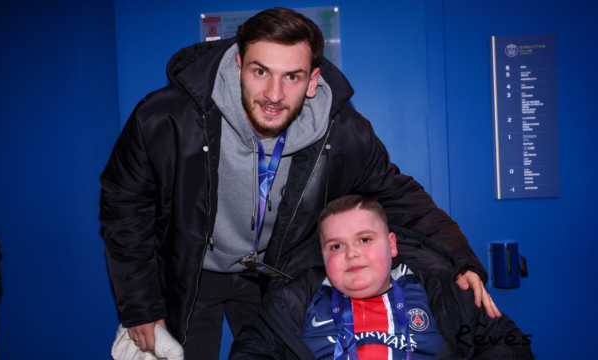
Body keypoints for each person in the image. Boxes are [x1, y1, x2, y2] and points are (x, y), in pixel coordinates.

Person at [99, 7, 499, 358]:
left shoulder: (344, 133)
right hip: (190, 270)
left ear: (312, 81)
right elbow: (124, 206)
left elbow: (400, 196)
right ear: (238, 66)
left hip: (273, 273)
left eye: (292, 76)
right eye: (260, 72)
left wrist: (461, 260)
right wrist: (140, 306)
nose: (274, 94)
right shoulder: (165, 118)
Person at [229, 195, 533, 360]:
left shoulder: (446, 293)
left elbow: (508, 344)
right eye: (336, 246)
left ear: (391, 245)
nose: (351, 254)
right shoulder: (292, 303)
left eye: (364, 239)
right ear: (322, 256)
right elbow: (251, 350)